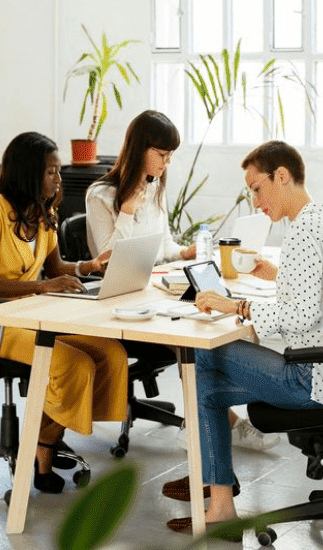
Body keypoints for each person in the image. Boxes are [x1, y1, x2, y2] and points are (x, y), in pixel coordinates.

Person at [165, 141, 323, 535]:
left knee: (199, 356)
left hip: (312, 379)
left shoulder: (303, 233)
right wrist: (279, 274)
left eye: (257, 188)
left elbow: (300, 315)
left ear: (283, 176)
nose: (256, 201)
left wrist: (233, 306)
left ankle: (218, 493)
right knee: (205, 385)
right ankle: (218, 497)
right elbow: (318, 297)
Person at [85, 110, 280, 453]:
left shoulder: (153, 187)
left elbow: (161, 248)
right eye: (161, 155)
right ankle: (222, 422)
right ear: (139, 149)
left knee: (211, 316)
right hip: (121, 304)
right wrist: (127, 212)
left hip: (153, 294)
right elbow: (107, 261)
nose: (166, 163)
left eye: (170, 156)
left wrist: (185, 253)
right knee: (193, 335)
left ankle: (213, 418)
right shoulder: (100, 195)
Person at [0, 131, 128, 494]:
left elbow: (55, 268)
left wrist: (90, 266)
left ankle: (46, 442)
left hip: (30, 314)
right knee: (71, 364)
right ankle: (41, 456)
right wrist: (40, 287)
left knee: (110, 353)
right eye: (51, 172)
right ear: (27, 173)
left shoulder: (43, 212)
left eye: (57, 171)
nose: (58, 178)